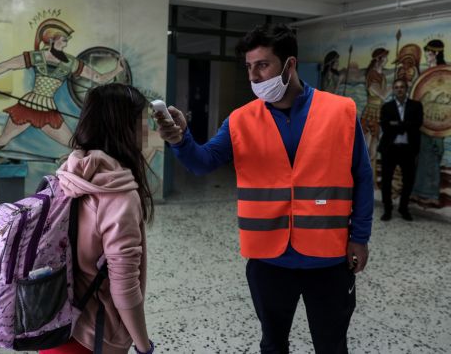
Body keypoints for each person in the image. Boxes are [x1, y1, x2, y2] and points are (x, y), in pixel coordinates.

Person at [153, 24, 373, 354]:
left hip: (328, 258)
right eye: (248, 67)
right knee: (272, 344)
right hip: (269, 260)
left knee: (331, 345)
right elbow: (202, 162)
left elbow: (362, 177)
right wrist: (181, 141)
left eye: (263, 65)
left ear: (290, 64)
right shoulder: (240, 120)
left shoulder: (340, 111)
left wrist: (360, 236)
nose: (254, 76)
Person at [41, 83, 154, 354]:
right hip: (91, 338)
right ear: (126, 129)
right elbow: (124, 287)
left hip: (52, 326)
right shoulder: (119, 195)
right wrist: (143, 346)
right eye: (143, 122)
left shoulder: (68, 176)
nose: (148, 131)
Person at [0, 18, 126, 159]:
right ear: (52, 40)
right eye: (63, 39)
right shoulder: (36, 56)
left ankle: (73, 166)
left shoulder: (71, 63)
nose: (66, 43)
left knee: (76, 145)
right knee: (1, 141)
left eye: (66, 40)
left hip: (48, 111)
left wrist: (117, 70)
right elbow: (5, 66)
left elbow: (98, 78)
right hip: (27, 107)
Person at [378, 79, 424, 221]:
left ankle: (403, 208)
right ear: (393, 90)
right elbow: (385, 126)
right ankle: (387, 209)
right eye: (396, 87)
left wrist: (396, 124)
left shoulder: (416, 106)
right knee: (386, 181)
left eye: (402, 87)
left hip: (408, 150)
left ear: (406, 89)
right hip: (390, 149)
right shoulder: (387, 107)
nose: (399, 89)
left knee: (408, 180)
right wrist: (405, 125)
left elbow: (417, 124)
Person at [411, 39, 446, 206]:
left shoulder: (443, 72)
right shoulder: (424, 73)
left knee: (434, 156)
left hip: (438, 121)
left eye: (428, 53)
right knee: (422, 157)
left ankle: (431, 194)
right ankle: (418, 192)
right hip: (423, 122)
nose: (426, 55)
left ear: (436, 53)